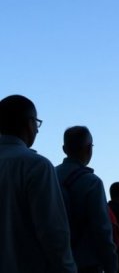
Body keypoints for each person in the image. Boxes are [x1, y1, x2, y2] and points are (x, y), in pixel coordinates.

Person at [0, 94, 77, 273]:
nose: (37, 130)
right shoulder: (36, 165)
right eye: (37, 123)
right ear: (29, 123)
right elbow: (54, 233)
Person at [55, 126, 118, 273]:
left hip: (55, 261)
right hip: (85, 264)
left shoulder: (49, 175)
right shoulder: (91, 182)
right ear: (89, 148)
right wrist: (111, 265)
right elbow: (102, 230)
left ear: (64, 149)